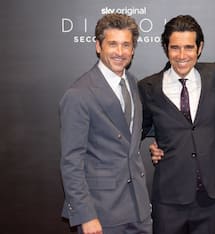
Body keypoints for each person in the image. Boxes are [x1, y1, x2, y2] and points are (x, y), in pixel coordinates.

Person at [59, 13, 152, 234]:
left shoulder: (131, 82)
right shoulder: (78, 94)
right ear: (98, 46)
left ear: (133, 50)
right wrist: (86, 216)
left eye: (126, 45)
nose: (120, 52)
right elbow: (72, 162)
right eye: (112, 44)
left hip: (139, 210)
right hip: (102, 214)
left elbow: (129, 140)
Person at [138, 15, 215, 234]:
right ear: (166, 49)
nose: (182, 55)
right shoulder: (149, 87)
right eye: (175, 48)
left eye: (189, 47)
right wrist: (156, 143)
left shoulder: (214, 74)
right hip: (169, 197)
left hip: (212, 197)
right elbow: (141, 129)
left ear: (200, 47)